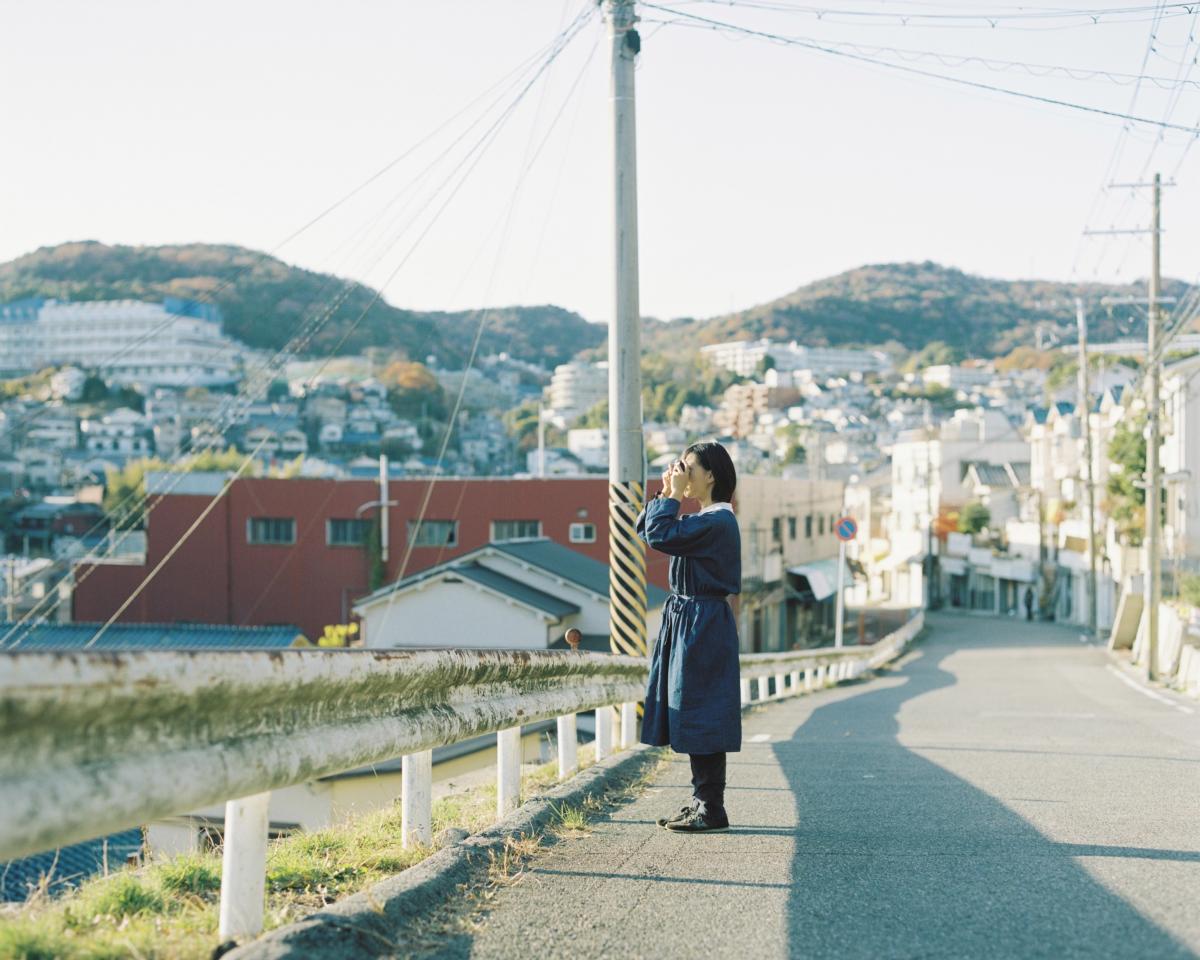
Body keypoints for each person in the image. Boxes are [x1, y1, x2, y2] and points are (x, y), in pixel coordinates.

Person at [636, 441, 741, 833]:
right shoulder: (702, 521)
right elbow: (646, 528)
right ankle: (703, 802)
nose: (683, 474)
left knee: (702, 712)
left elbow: (660, 534)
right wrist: (667, 493)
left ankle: (711, 808)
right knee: (692, 709)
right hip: (691, 619)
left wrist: (674, 495)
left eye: (689, 468)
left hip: (703, 622)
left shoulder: (717, 522)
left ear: (710, 474)